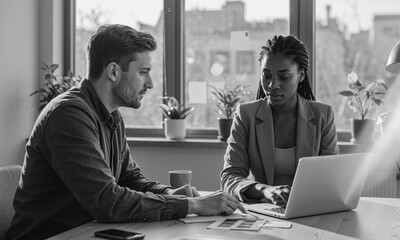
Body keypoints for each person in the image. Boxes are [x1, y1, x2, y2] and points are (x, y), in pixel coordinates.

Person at [7, 24, 244, 240]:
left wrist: (173, 194)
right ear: (113, 72)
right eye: (143, 72)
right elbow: (107, 201)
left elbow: (130, 179)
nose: (150, 84)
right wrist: (193, 206)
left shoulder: (112, 116)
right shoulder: (68, 116)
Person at [220, 35, 339, 207]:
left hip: (309, 209)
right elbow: (229, 178)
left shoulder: (323, 115)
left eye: (283, 77)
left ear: (301, 75)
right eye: (266, 76)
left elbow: (330, 178)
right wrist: (266, 190)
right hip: (264, 211)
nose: (272, 85)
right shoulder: (246, 114)